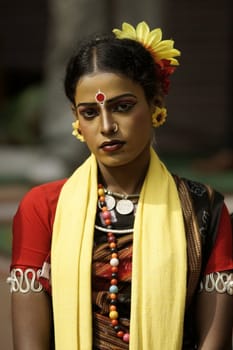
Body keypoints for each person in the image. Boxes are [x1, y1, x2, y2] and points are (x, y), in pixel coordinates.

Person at [7, 21, 233, 350]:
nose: (107, 126)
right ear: (76, 120)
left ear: (155, 104)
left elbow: (215, 342)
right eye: (89, 112)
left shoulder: (202, 208)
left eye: (122, 107)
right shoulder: (44, 207)